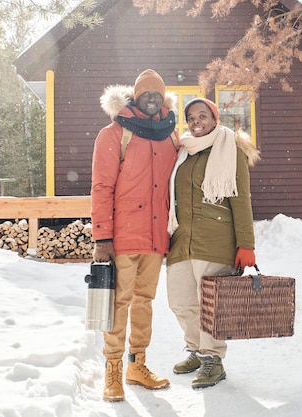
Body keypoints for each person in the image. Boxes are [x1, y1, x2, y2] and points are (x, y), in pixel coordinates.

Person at [90, 69, 179, 402]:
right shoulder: (114, 133)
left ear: (163, 97)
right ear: (136, 97)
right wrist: (102, 238)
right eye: (146, 93)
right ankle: (112, 369)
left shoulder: (171, 135)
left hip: (156, 238)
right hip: (124, 237)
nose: (152, 98)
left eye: (158, 93)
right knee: (119, 303)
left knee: (145, 302)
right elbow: (101, 188)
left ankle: (137, 364)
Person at [166, 98, 260, 389]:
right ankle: (195, 349)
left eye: (202, 115)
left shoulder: (230, 147)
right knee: (180, 301)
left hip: (217, 238)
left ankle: (213, 359)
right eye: (191, 117)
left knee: (210, 305)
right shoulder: (183, 152)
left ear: (215, 118)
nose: (196, 122)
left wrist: (246, 243)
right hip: (182, 239)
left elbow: (241, 198)